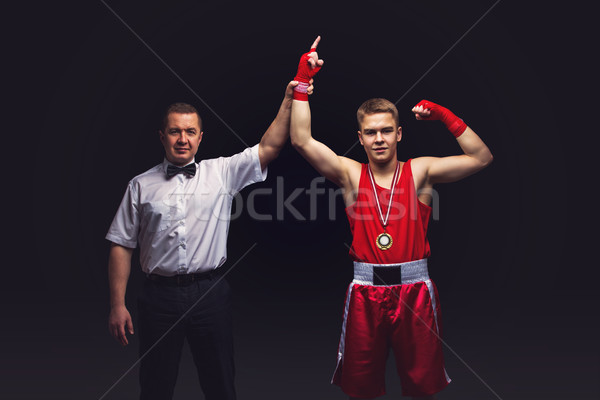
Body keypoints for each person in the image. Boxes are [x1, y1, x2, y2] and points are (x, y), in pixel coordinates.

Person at [290, 37, 493, 399]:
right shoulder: (351, 174)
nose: (379, 139)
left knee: (421, 386)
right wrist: (302, 81)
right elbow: (302, 140)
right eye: (371, 132)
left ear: (399, 133)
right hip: (365, 293)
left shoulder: (420, 172)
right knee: (362, 387)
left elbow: (481, 158)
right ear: (361, 138)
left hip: (415, 291)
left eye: (386, 131)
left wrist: (445, 116)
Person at [105, 73, 314, 399]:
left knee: (220, 385)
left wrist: (291, 96)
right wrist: (117, 304)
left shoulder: (222, 172)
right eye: (175, 131)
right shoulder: (140, 185)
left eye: (190, 132)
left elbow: (270, 145)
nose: (182, 139)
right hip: (158, 298)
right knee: (155, 387)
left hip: (210, 294)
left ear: (201, 137)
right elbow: (121, 244)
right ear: (162, 136)